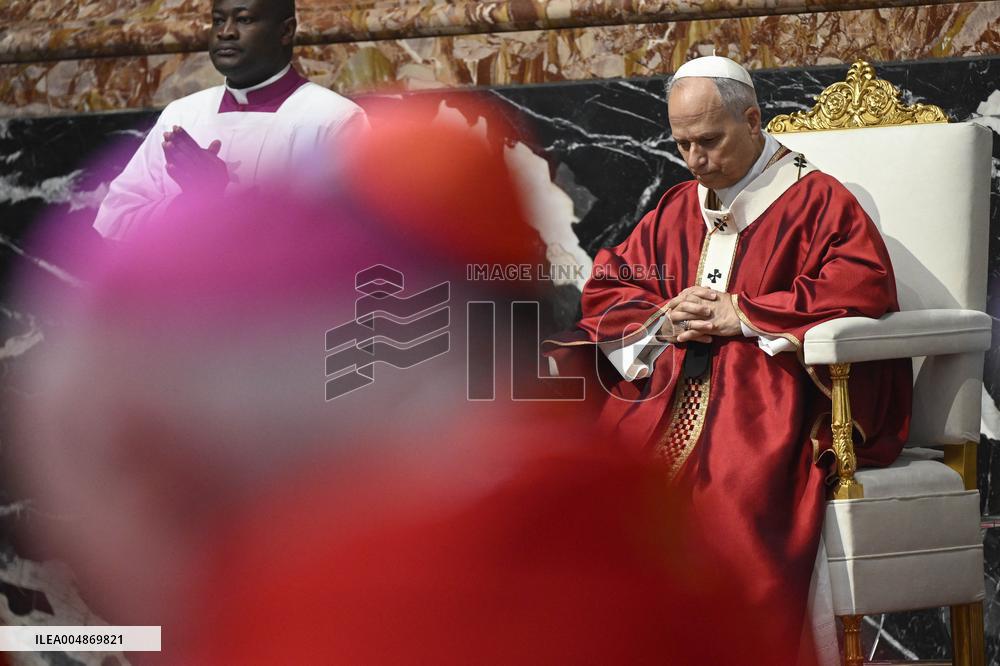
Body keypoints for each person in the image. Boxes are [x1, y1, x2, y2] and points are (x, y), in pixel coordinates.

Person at [544, 56, 912, 664]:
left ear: (752, 120)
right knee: (597, 496)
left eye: (709, 141)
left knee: (729, 503)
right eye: (682, 143)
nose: (695, 160)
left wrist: (741, 313)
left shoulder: (817, 201)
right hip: (664, 399)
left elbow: (860, 286)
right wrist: (665, 317)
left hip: (765, 406)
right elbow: (613, 284)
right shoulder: (678, 205)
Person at [92, 0, 368, 240]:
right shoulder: (181, 115)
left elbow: (348, 238)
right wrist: (186, 203)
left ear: (286, 31)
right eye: (218, 20)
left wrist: (221, 196)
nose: (226, 32)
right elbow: (116, 219)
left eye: (244, 19)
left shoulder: (333, 119)